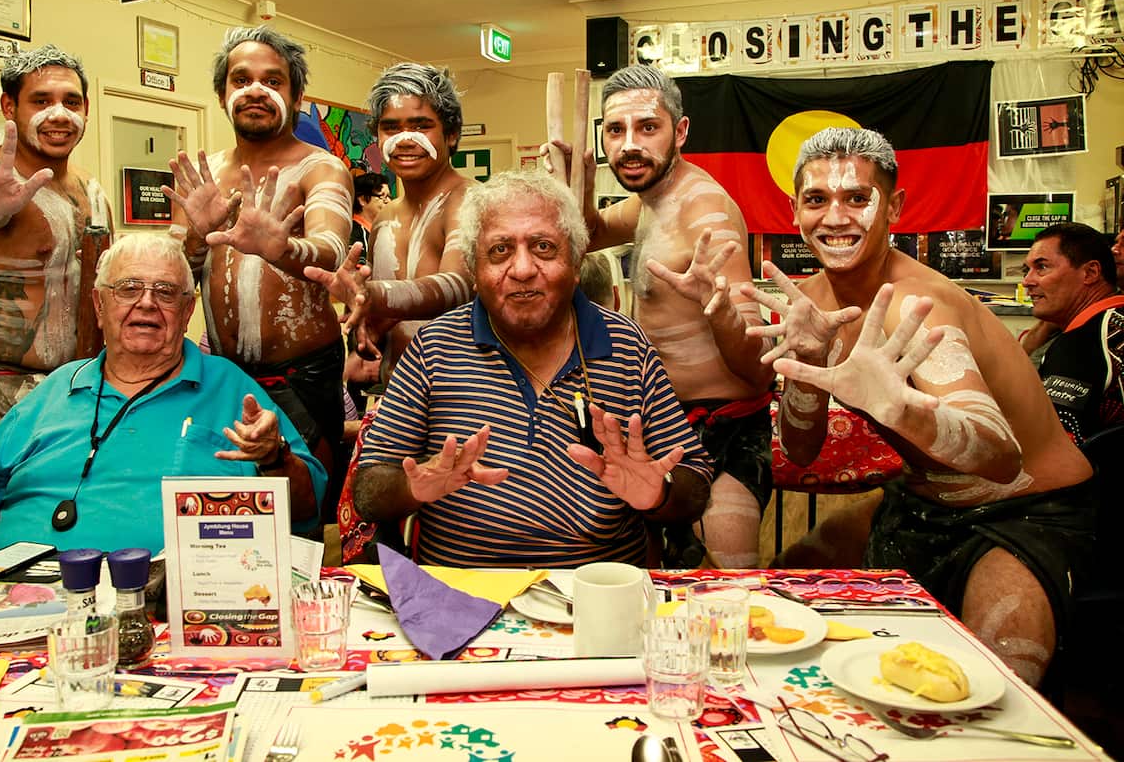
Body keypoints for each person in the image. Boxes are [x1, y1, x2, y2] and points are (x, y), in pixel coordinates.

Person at [746, 126, 1095, 686]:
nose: (836, 218)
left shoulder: (916, 305)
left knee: (991, 683)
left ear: (895, 209)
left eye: (858, 198)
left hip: (1029, 511)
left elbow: (1003, 457)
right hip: (919, 501)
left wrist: (901, 410)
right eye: (818, 200)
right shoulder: (809, 302)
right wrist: (807, 378)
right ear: (794, 211)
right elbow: (801, 449)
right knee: (786, 589)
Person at [352, 171, 713, 567]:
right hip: (461, 601)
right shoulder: (434, 348)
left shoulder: (626, 346)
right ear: (474, 270)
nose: (522, 269)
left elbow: (694, 484)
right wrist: (416, 484)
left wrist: (657, 493)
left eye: (543, 247)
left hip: (597, 597)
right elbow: (369, 490)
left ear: (576, 263)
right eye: (500, 251)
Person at [0, 233, 326, 554]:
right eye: (128, 288)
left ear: (188, 311)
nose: (147, 303)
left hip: (173, 603)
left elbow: (308, 508)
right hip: (29, 599)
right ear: (99, 305)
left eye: (166, 292)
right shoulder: (56, 389)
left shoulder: (230, 388)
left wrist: (275, 459)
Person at [555, 64, 774, 569]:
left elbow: (759, 368)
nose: (630, 145)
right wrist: (578, 185)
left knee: (725, 585)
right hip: (658, 421)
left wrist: (718, 310)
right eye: (616, 130)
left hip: (723, 430)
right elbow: (585, 234)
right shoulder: (650, 202)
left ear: (680, 132)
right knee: (651, 579)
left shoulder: (704, 214)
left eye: (647, 128)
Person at [165, 26, 354, 524]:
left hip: (301, 377)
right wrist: (191, 240)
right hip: (222, 374)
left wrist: (282, 248)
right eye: (240, 79)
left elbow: (331, 252)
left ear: (295, 97)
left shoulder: (322, 168)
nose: (255, 90)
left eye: (273, 80)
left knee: (299, 517)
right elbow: (176, 276)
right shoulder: (205, 175)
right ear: (222, 94)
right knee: (227, 516)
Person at [0, 44, 113, 419]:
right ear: (9, 107)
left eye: (72, 102)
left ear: (87, 110)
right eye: (41, 101)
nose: (59, 114)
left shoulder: (91, 188)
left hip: (80, 384)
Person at [306, 63, 474, 376]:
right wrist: (367, 336)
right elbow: (384, 310)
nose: (406, 139)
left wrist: (379, 296)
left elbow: (458, 285)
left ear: (451, 135)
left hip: (465, 393)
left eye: (421, 126)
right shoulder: (385, 218)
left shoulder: (469, 202)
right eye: (391, 128)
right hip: (398, 392)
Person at [1022, 222, 1124, 444]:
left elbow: (1053, 453)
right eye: (1026, 270)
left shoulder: (1082, 346)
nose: (1027, 281)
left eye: (1042, 267)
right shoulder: (1111, 319)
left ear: (1091, 272)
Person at [349, 172, 390, 266]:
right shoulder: (356, 234)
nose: (388, 201)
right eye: (382, 196)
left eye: (389, 196)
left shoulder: (378, 231)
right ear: (362, 199)